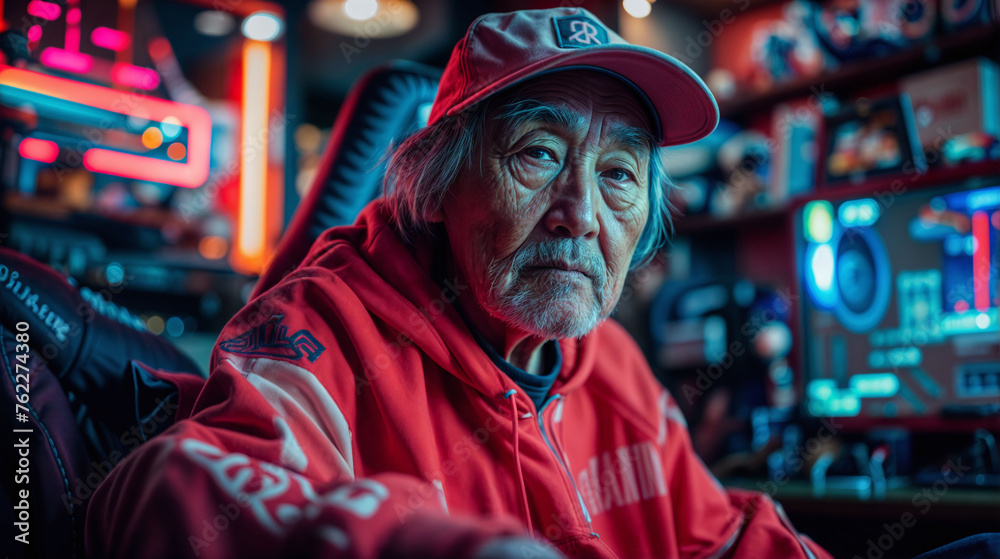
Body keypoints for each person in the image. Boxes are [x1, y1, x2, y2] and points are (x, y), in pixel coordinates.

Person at [86, 8, 836, 559]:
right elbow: (172, 489)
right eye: (538, 155)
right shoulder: (328, 322)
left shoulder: (612, 364)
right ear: (437, 188)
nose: (579, 217)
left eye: (617, 175)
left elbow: (721, 537)